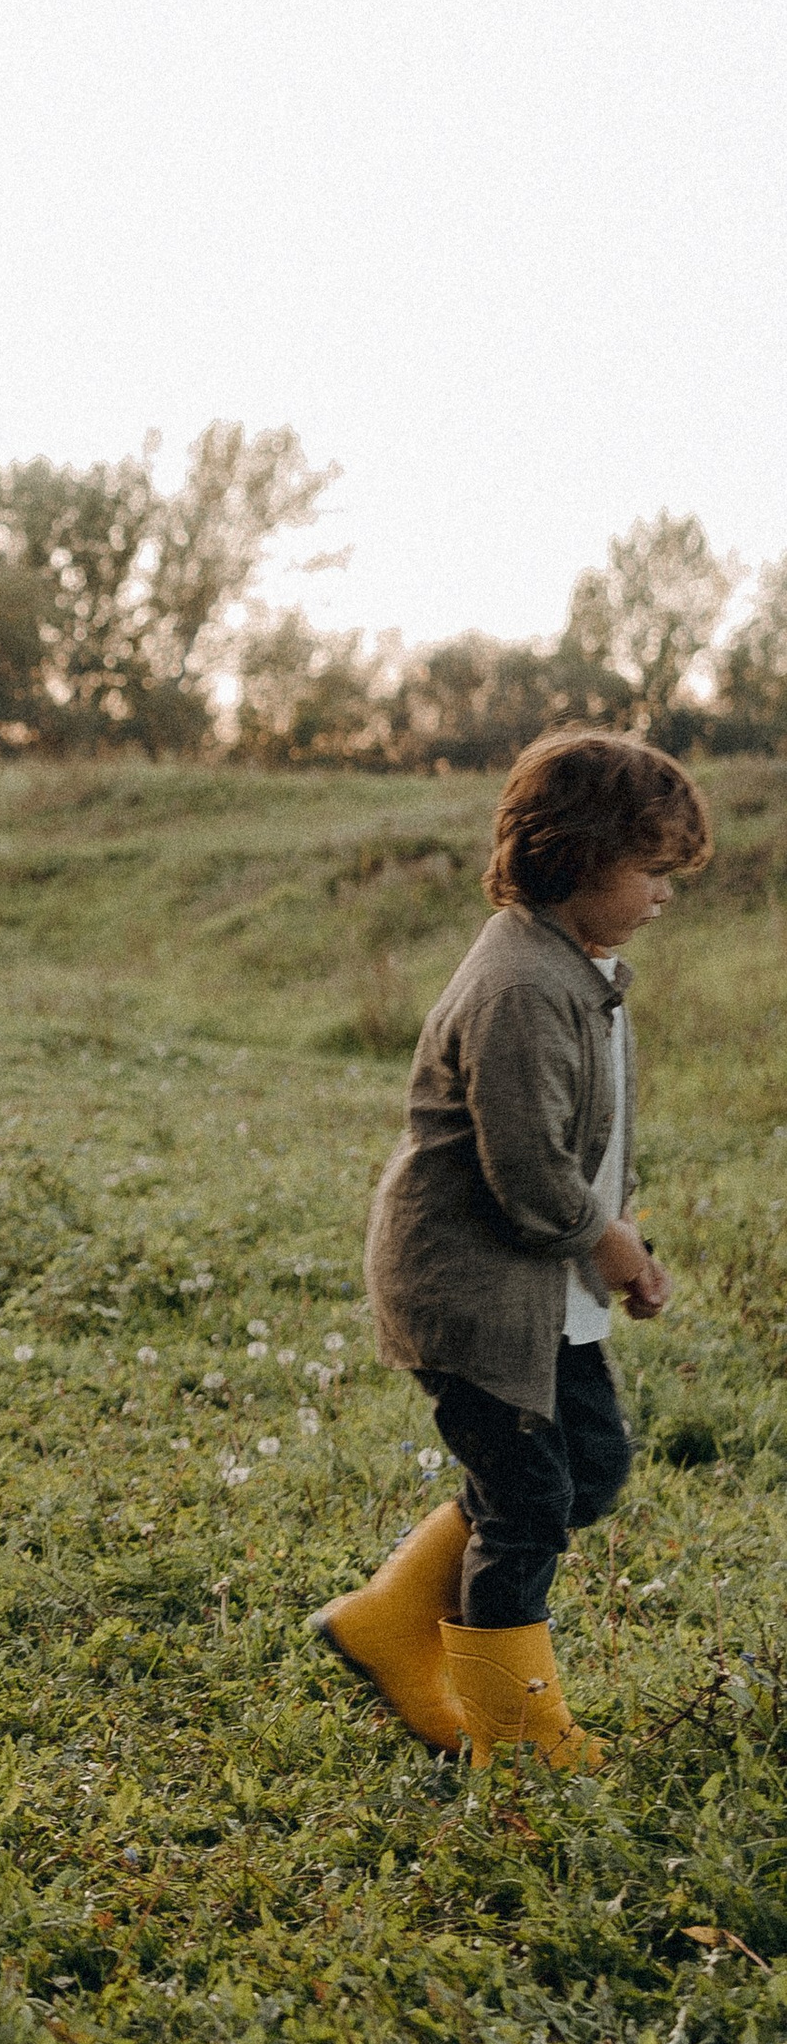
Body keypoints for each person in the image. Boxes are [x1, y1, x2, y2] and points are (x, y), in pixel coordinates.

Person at [315, 730, 712, 1772]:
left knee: (590, 1468)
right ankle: (515, 1734)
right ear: (575, 856)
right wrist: (615, 1248)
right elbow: (532, 1173)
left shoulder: (573, 967)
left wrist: (609, 1246)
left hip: (543, 1290)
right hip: (474, 1296)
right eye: (650, 870)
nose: (663, 895)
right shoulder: (524, 987)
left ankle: (387, 1620)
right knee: (528, 1502)